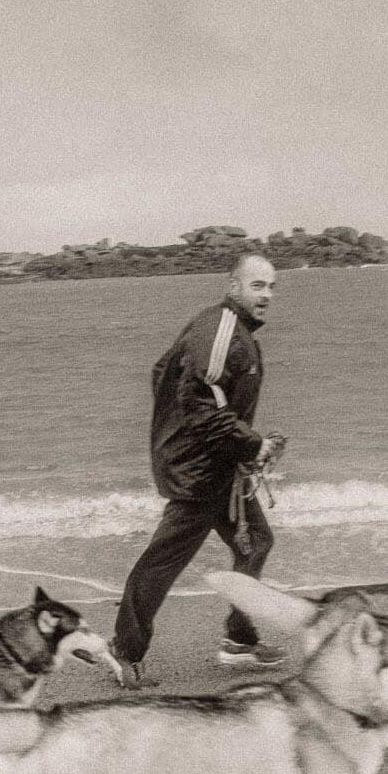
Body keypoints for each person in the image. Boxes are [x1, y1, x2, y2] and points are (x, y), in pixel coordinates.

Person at [112, 253, 288, 687]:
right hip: (201, 476)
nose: (266, 294)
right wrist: (251, 443)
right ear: (233, 287)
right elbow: (201, 406)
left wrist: (233, 446)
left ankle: (239, 639)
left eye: (271, 286)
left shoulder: (231, 329)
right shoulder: (222, 331)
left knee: (256, 543)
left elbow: (162, 373)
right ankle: (125, 650)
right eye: (257, 285)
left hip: (218, 466)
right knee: (163, 561)